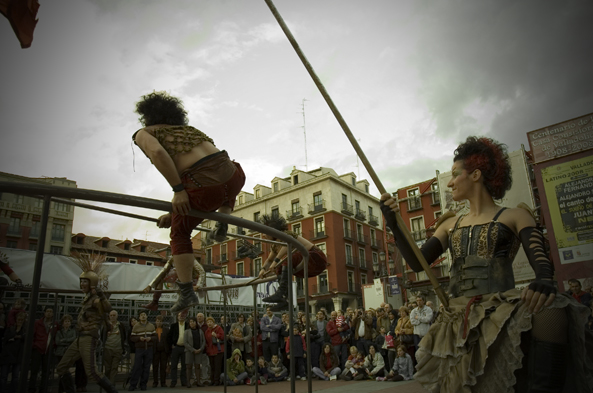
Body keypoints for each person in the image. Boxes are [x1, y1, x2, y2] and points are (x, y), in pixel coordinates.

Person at [380, 136, 593, 392]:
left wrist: (543, 281)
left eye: (455, 174)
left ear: (476, 175)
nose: (449, 182)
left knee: (553, 309)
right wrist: (393, 223)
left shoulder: (516, 215)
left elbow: (542, 265)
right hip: (457, 313)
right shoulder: (450, 224)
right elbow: (417, 263)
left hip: (502, 306)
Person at [133, 91, 246, 314]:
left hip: (204, 185)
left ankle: (186, 292)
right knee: (212, 188)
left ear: (147, 116)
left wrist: (177, 191)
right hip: (233, 177)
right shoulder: (190, 130)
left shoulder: (144, 132)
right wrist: (174, 208)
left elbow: (157, 152)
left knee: (179, 233)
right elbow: (205, 167)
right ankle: (223, 217)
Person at [55, 256, 118, 393]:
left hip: (89, 338)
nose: (82, 284)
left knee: (92, 373)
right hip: (80, 338)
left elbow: (107, 308)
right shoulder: (87, 298)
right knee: (61, 368)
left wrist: (101, 295)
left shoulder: (95, 299)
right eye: (81, 281)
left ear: (92, 283)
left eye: (85, 281)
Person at [257, 214, 328, 311]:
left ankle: (280, 292)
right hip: (303, 264)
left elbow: (287, 245)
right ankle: (284, 300)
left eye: (265, 232)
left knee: (285, 259)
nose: (264, 235)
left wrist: (276, 261)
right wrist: (263, 269)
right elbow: (269, 260)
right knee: (280, 266)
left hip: (315, 257)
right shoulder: (274, 245)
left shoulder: (287, 234)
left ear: (272, 231)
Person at [141, 256, 206, 311]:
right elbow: (163, 271)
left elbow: (202, 272)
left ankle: (185, 303)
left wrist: (198, 285)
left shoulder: (189, 258)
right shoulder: (172, 259)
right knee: (161, 278)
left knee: (183, 307)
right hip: (179, 277)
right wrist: (150, 285)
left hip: (191, 278)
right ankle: (154, 302)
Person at [29, 307, 58, 393]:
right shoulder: (38, 323)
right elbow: (32, 335)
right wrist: (34, 345)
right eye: (47, 311)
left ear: (53, 314)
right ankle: (31, 388)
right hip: (37, 348)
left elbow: (56, 336)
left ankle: (43, 388)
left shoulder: (55, 324)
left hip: (48, 350)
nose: (49, 313)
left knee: (46, 370)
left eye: (51, 312)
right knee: (34, 369)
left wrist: (53, 345)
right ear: (44, 313)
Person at [128, 312, 156, 391]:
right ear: (139, 317)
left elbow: (155, 337)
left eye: (144, 315)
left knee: (146, 367)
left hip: (149, 349)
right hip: (139, 349)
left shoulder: (151, 326)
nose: (143, 316)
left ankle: (143, 384)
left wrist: (150, 339)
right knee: (137, 367)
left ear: (147, 316)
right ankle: (133, 384)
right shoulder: (136, 326)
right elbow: (132, 338)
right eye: (141, 315)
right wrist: (139, 338)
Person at [0, 310, 26, 393]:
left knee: (15, 376)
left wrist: (17, 336)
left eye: (22, 320)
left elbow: (25, 339)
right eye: (19, 320)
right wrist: (16, 335)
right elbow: (6, 339)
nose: (20, 322)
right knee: (4, 376)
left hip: (18, 355)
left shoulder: (25, 330)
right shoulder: (10, 328)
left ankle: (13, 391)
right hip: (7, 354)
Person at [104, 311, 128, 387]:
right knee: (108, 368)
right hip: (108, 348)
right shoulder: (106, 325)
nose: (112, 317)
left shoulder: (120, 325)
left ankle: (111, 385)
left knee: (114, 368)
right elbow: (102, 335)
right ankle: (106, 383)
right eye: (111, 315)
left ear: (117, 316)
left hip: (118, 349)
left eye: (114, 315)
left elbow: (124, 335)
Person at [167, 312, 189, 388]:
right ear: (177, 317)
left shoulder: (188, 325)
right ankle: (173, 381)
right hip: (176, 347)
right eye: (180, 315)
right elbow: (169, 337)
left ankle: (184, 381)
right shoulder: (173, 326)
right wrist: (172, 345)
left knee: (184, 365)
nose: (181, 316)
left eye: (183, 315)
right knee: (174, 365)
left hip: (185, 348)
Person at [183, 316, 206, 387]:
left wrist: (200, 349)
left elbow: (203, 341)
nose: (192, 323)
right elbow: (185, 342)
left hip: (198, 351)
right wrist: (193, 350)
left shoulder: (200, 331)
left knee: (197, 366)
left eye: (193, 322)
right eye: (190, 322)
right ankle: (188, 382)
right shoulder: (186, 332)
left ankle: (198, 381)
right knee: (189, 366)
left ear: (196, 323)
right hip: (189, 351)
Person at [205, 316, 225, 386]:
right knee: (212, 366)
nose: (209, 323)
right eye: (208, 322)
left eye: (210, 322)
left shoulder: (218, 328)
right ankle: (212, 380)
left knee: (217, 366)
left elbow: (223, 336)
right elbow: (206, 341)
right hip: (210, 351)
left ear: (213, 322)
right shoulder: (207, 331)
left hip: (218, 350)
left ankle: (217, 380)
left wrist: (216, 335)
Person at [152, 315, 170, 388]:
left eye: (160, 321)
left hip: (164, 351)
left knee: (163, 367)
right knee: (155, 367)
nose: (158, 322)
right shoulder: (153, 329)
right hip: (155, 351)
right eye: (157, 321)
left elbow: (168, 340)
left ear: (162, 322)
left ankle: (163, 382)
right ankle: (155, 382)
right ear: (155, 321)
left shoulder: (166, 330)